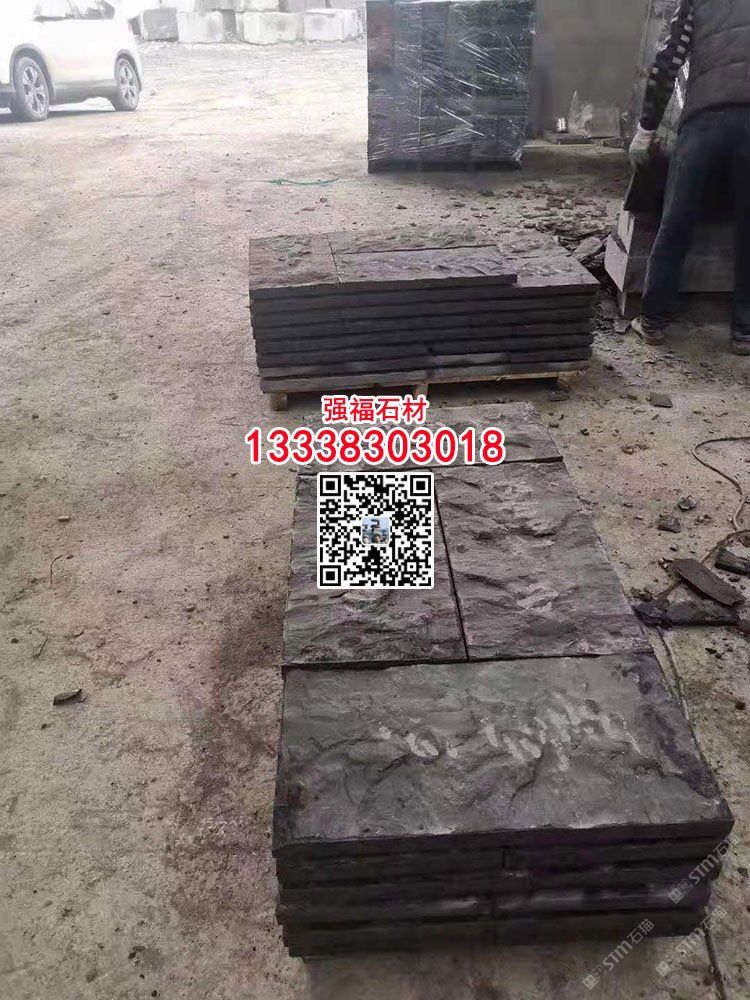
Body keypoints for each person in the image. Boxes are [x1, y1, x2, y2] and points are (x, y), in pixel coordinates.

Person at [628, 0, 750, 355]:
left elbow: (669, 60)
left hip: (703, 122)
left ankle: (653, 321)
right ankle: (744, 330)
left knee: (676, 222)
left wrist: (646, 129)